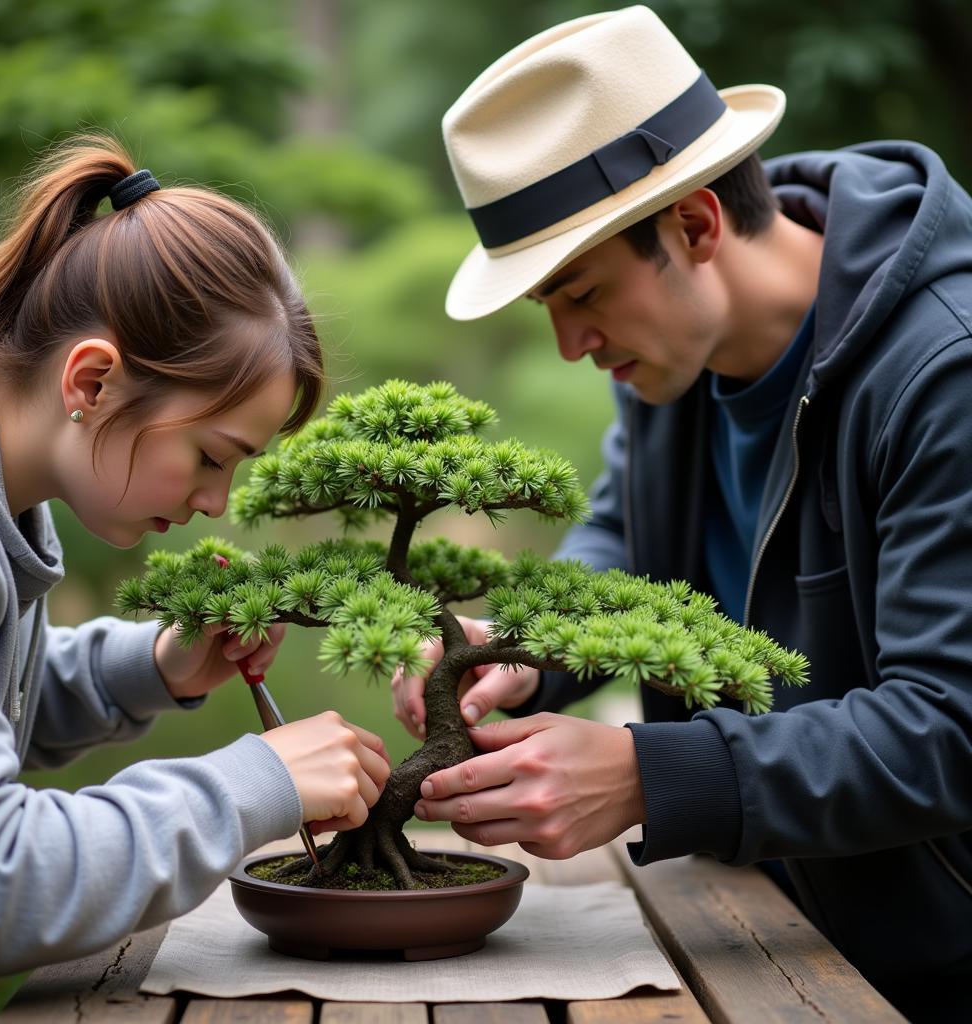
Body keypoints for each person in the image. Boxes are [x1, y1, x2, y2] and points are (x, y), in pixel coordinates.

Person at [392, 7, 972, 1019]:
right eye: (548, 311)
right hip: (765, 931)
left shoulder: (943, 371)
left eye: (581, 294)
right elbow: (627, 538)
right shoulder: (676, 357)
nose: (572, 343)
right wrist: (525, 648)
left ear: (696, 225)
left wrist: (651, 777)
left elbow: (949, 727)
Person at [0, 136, 391, 975]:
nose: (215, 504)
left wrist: (156, 666)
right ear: (91, 383)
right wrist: (255, 781)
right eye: (211, 455)